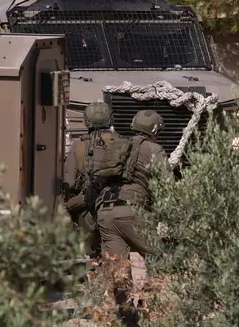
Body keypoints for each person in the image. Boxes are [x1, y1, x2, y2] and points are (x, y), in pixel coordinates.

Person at [95, 110, 170, 274]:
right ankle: (155, 298)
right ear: (155, 131)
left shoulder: (118, 145)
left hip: (105, 210)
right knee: (160, 260)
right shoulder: (154, 149)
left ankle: (115, 299)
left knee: (117, 272)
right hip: (131, 210)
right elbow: (167, 185)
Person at [62, 101, 119, 259]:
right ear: (110, 119)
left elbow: (70, 182)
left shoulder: (78, 146)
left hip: (87, 207)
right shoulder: (122, 143)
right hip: (117, 202)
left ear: (86, 120)